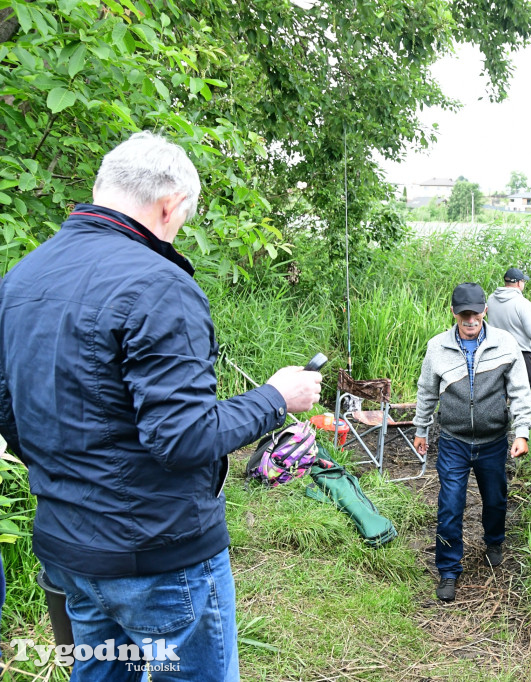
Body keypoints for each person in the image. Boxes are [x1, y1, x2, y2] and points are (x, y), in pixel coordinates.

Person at [0, 131, 322, 681]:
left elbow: (10, 415)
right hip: (157, 554)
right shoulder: (159, 284)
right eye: (182, 218)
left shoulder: (22, 276)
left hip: (68, 547)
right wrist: (275, 398)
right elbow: (182, 439)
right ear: (169, 204)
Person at [413, 282, 531, 602]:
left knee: (495, 499)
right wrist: (421, 429)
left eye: (475, 313)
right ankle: (449, 571)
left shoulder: (505, 344)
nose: (470, 320)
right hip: (453, 440)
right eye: (463, 314)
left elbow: (521, 391)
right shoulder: (436, 347)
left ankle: (494, 540)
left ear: (485, 311)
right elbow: (426, 392)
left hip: (494, 440)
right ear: (453, 313)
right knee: (450, 506)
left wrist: (521, 431)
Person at [486, 267, 531, 407]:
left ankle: (503, 425)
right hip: (521, 356)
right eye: (523, 281)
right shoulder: (523, 304)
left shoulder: (491, 300)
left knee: (501, 397)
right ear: (519, 283)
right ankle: (530, 425)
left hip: (496, 354)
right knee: (530, 400)